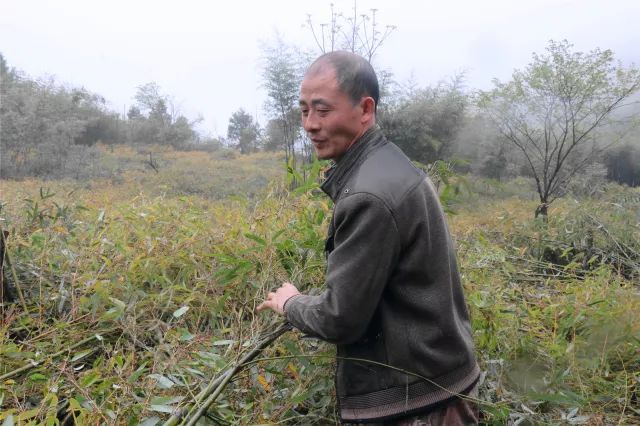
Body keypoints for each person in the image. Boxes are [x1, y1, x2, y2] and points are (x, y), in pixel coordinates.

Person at [257, 51, 480, 425]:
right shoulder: (390, 166)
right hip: (439, 385)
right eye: (304, 111)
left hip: (419, 404)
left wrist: (290, 303)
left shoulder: (369, 195)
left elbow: (339, 319)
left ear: (365, 109)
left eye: (323, 110)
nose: (310, 124)